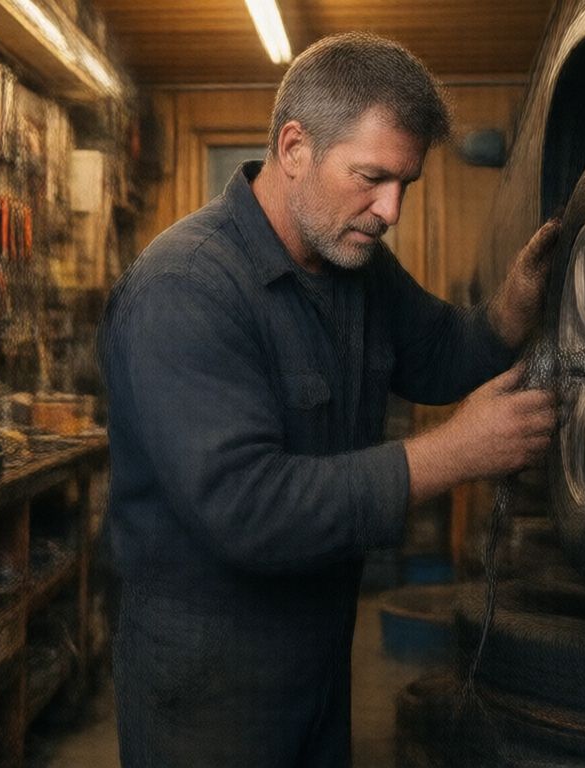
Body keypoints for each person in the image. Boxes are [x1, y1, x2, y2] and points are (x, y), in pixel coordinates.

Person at [97, 32, 559, 767]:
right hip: (208, 685)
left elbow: (440, 356)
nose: (391, 209)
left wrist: (510, 311)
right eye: (371, 177)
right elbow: (247, 506)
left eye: (405, 183)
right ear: (293, 148)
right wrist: (454, 452)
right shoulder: (185, 290)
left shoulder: (355, 261)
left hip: (315, 652)